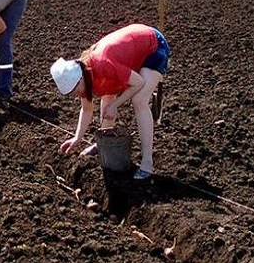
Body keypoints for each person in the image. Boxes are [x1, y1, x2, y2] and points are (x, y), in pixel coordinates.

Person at [50, 23, 170, 180]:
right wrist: (77, 138)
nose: (76, 95)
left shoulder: (103, 64)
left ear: (79, 80)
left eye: (75, 91)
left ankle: (147, 163)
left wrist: (115, 104)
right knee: (107, 91)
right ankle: (103, 145)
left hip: (152, 45)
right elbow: (86, 109)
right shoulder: (83, 74)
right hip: (132, 51)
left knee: (139, 100)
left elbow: (138, 82)